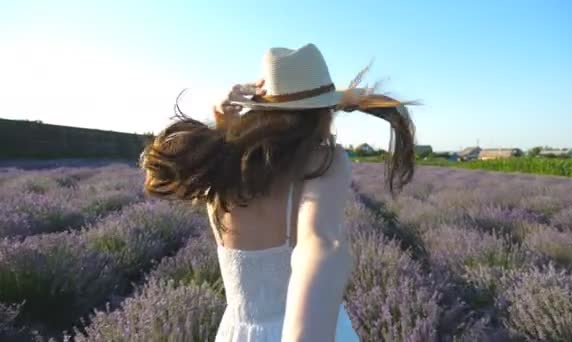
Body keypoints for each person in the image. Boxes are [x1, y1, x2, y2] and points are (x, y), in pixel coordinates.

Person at [140, 43, 416, 341]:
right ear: (322, 113)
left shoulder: (216, 162)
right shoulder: (324, 161)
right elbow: (319, 243)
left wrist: (222, 124)